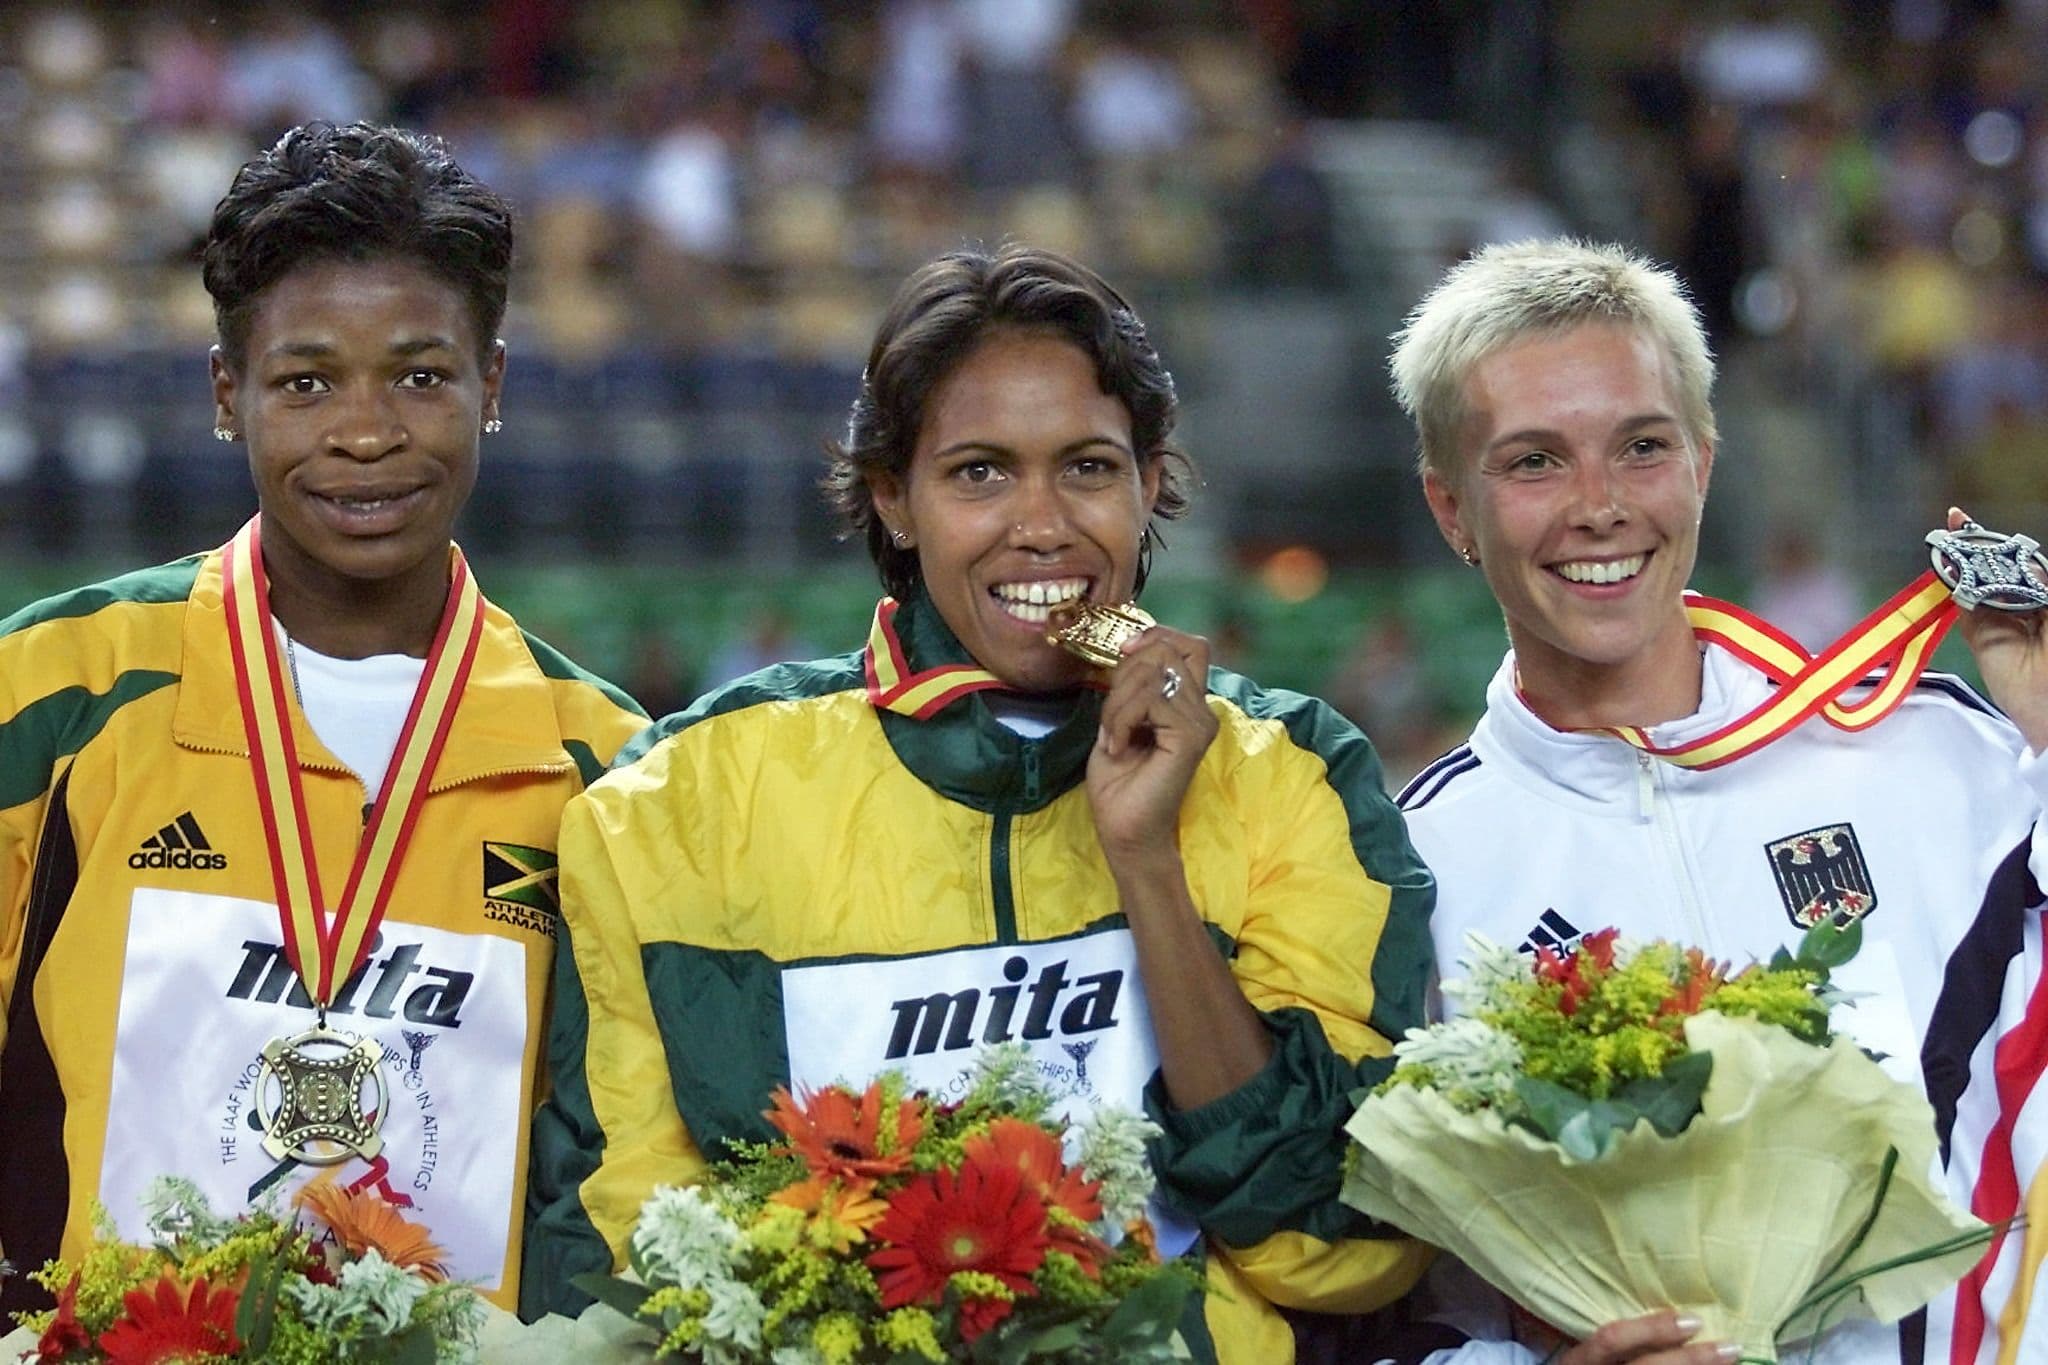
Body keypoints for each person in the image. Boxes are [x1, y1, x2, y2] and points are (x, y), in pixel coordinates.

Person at [522, 244, 1437, 1362]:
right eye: (979, 474)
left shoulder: (1292, 771)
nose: (1040, 524)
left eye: (1087, 467)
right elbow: (625, 1252)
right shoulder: (678, 801)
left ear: (1149, 482)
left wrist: (1147, 861)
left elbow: (1338, 1241)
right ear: (891, 498)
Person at [0, 122, 647, 1317]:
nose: (365, 432)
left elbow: (613, 1175)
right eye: (306, 382)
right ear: (226, 392)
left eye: (420, 376)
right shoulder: (55, 693)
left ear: (492, 387)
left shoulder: (604, 769)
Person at [1382, 239, 2047, 1363]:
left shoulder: (1936, 751)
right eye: (1534, 462)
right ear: (1451, 509)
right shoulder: (1418, 868)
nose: (1599, 507)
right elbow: (1415, 1299)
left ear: (1701, 461)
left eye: (1641, 447)